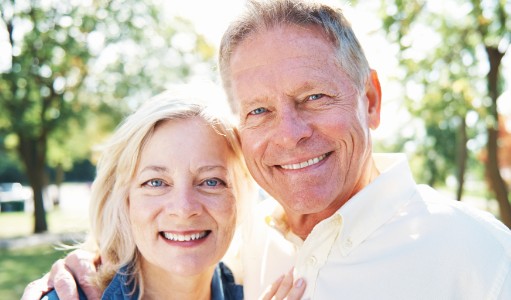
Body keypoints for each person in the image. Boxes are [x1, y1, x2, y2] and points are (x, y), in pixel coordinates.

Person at [24, 0, 511, 299]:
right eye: (258, 111)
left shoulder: (478, 255)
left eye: (314, 97)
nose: (290, 133)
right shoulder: (241, 243)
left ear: (371, 100)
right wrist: (86, 271)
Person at [30, 87, 305, 300]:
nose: (184, 208)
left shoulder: (266, 288)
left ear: (240, 196)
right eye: (156, 183)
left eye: (210, 182)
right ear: (125, 200)